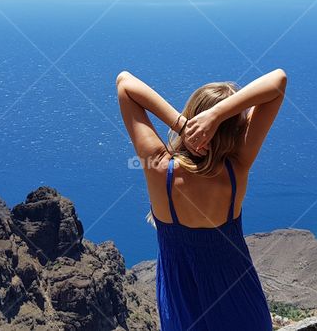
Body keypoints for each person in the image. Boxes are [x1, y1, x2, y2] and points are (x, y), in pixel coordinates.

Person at [116, 69, 286, 330]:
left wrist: (183, 125)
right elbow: (278, 81)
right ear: (234, 131)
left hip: (183, 310)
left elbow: (125, 83)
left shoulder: (160, 169)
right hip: (243, 307)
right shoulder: (237, 167)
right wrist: (218, 116)